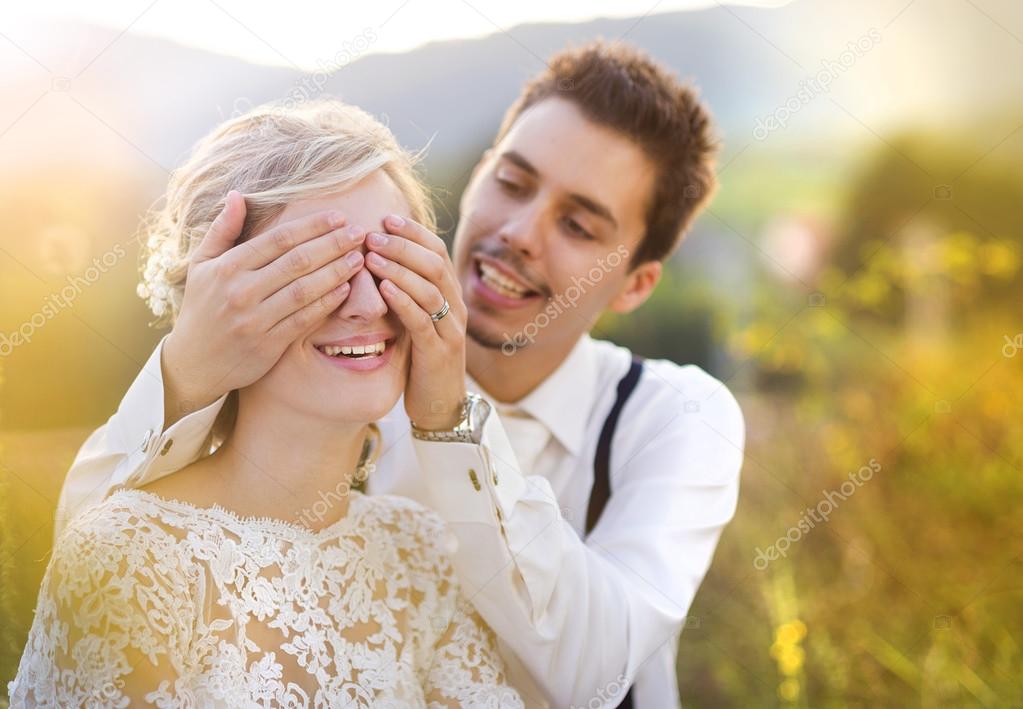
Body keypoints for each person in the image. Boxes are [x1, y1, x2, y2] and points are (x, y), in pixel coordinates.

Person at [55, 41, 745, 707]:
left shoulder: (674, 416)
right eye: (511, 183)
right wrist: (189, 369)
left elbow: (595, 674)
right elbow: (96, 557)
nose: (520, 232)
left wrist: (450, 424)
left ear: (634, 284)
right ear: (477, 175)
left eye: (579, 226)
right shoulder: (347, 378)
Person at [10, 99, 523, 708]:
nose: (369, 304)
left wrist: (446, 409)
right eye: (319, 266)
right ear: (220, 298)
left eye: (390, 260)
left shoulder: (421, 553)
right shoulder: (128, 555)